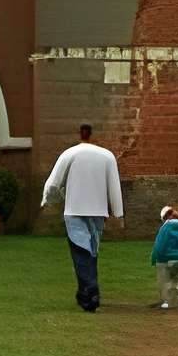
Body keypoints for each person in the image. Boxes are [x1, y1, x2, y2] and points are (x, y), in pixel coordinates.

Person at [41, 124, 124, 311]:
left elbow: (53, 183)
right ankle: (84, 292)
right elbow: (114, 185)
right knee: (91, 251)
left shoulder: (70, 154)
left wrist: (48, 199)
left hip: (75, 209)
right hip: (98, 211)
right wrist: (117, 211)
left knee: (81, 251)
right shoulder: (107, 156)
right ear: (92, 134)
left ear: (80, 134)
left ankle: (90, 289)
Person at [150, 203, 178, 310]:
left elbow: (160, 244)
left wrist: (154, 258)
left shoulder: (165, 227)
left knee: (164, 281)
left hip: (166, 259)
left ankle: (165, 302)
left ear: (165, 217)